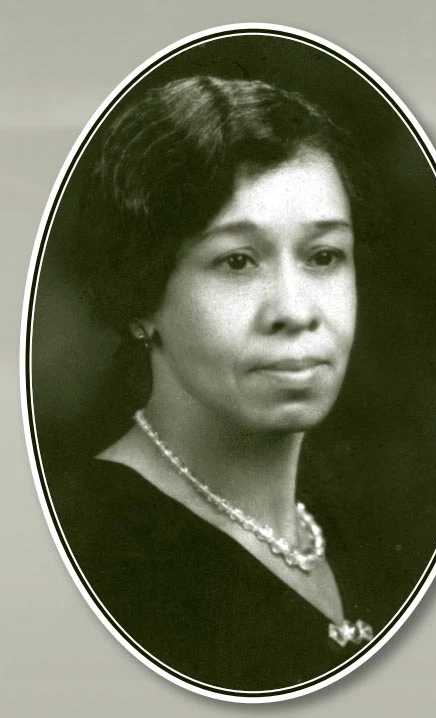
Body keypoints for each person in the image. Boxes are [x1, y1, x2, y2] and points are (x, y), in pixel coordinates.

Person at [53, 75, 378, 691]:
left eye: (323, 256)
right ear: (140, 299)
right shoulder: (83, 551)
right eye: (237, 261)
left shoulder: (368, 527)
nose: (296, 309)